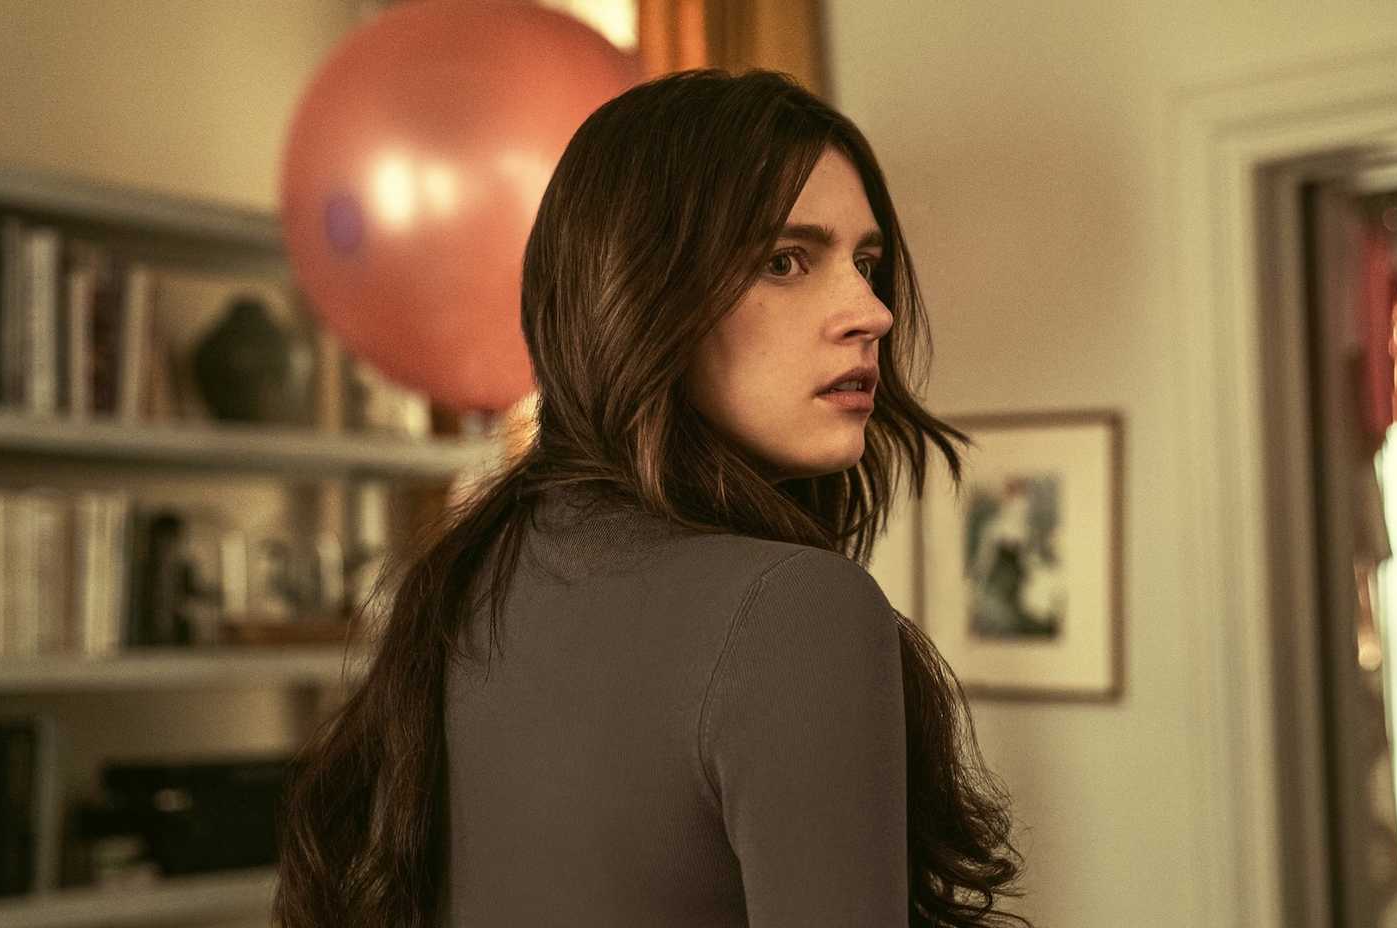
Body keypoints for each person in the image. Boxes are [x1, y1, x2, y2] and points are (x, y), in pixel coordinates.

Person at [271, 67, 1030, 928]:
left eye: (866, 263)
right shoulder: (795, 609)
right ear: (638, 295)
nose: (872, 312)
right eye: (785, 261)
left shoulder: (466, 576)